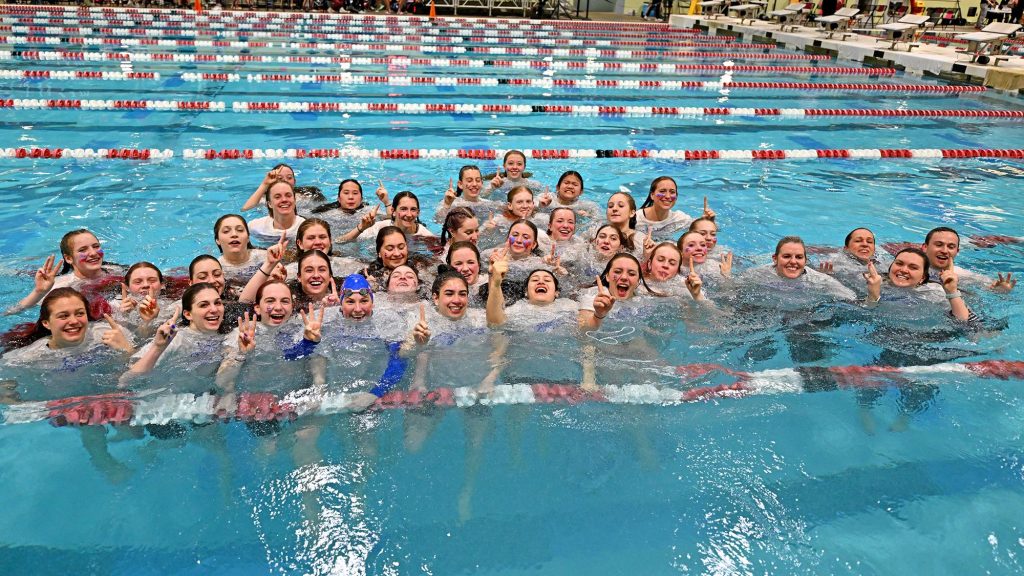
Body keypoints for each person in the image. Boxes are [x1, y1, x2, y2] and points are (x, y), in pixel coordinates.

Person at [7, 229, 119, 316]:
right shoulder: (62, 285)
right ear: (69, 258)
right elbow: (13, 311)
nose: (93, 253)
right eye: (83, 250)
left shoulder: (117, 271)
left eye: (96, 246)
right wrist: (39, 292)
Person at [921, 227, 1015, 292]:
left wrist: (1001, 289)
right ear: (925, 247)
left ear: (957, 251)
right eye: (939, 245)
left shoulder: (963, 275)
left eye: (951, 246)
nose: (945, 251)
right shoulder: (909, 269)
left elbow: (992, 287)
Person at [349, 190, 434, 241]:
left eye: (413, 209)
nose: (409, 214)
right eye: (403, 209)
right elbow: (341, 241)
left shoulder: (425, 235)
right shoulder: (382, 227)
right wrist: (361, 228)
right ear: (393, 211)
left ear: (418, 212)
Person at [246, 179, 306, 247]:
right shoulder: (256, 227)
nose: (284, 200)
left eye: (288, 195)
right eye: (277, 197)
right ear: (269, 204)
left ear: (294, 200)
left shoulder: (305, 228)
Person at [310, 178, 377, 236]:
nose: (350, 197)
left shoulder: (369, 211)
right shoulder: (328, 215)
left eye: (355, 193)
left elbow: (387, 219)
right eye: (346, 193)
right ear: (338, 198)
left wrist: (386, 202)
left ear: (361, 199)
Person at [434, 166, 499, 223]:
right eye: (469, 181)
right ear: (460, 184)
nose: (474, 184)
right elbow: (438, 220)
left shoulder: (489, 204)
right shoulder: (452, 204)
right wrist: (447, 205)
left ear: (482, 183)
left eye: (478, 180)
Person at [214, 214, 267, 281]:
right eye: (226, 231)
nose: (234, 234)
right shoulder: (217, 268)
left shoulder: (265, 257)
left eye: (240, 230)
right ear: (217, 240)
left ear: (248, 238)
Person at [535, 171, 600, 222]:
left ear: (581, 192)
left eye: (575, 184)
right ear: (557, 187)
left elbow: (599, 220)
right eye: (566, 183)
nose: (570, 187)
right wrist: (541, 206)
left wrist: (588, 216)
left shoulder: (586, 206)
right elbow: (529, 212)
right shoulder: (545, 198)